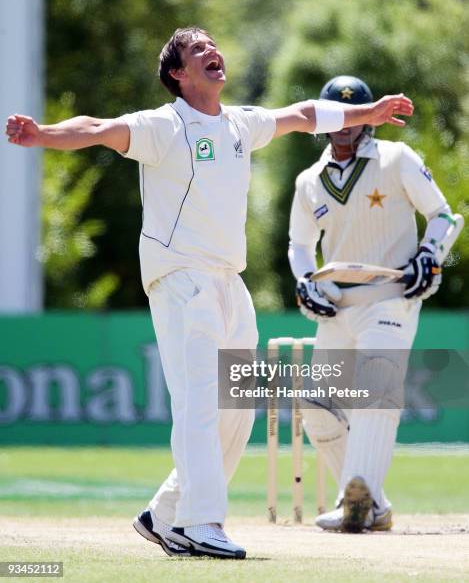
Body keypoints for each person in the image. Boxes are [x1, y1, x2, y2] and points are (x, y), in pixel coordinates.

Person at [6, 29, 414, 558]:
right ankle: (201, 523)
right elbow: (99, 128)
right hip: (180, 277)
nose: (211, 51)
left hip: (228, 280)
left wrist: (365, 114)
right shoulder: (164, 125)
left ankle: (167, 513)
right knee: (199, 399)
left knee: (236, 409)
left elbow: (303, 115)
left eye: (211, 45)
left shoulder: (241, 123)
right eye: (197, 50)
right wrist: (44, 134)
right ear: (178, 73)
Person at [289, 75, 459, 533]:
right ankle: (369, 503)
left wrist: (430, 256)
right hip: (338, 304)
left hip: (392, 296)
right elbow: (299, 246)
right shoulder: (309, 181)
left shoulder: (396, 159)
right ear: (324, 120)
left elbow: (444, 215)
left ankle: (357, 494)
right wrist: (306, 281)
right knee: (316, 405)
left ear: (367, 121)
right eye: (336, 115)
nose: (344, 125)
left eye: (354, 115)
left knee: (374, 391)